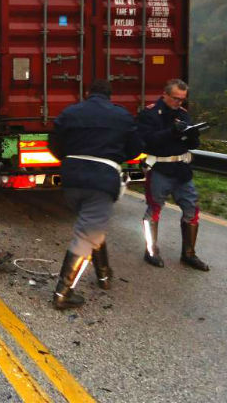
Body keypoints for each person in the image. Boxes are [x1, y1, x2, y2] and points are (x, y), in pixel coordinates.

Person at [47, 80, 144, 310]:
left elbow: (54, 143)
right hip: (101, 181)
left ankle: (103, 275)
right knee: (88, 232)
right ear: (110, 96)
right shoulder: (122, 116)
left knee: (91, 225)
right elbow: (135, 149)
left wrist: (70, 160)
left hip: (71, 180)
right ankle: (62, 293)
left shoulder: (70, 112)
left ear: (87, 93)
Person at [138, 79, 209, 271]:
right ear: (165, 94)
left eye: (182, 99)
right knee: (154, 210)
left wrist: (193, 134)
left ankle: (189, 254)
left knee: (192, 209)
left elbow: (193, 144)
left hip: (182, 171)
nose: (179, 103)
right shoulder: (150, 114)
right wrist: (171, 132)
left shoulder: (184, 115)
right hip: (160, 169)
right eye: (176, 99)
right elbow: (146, 141)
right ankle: (151, 250)